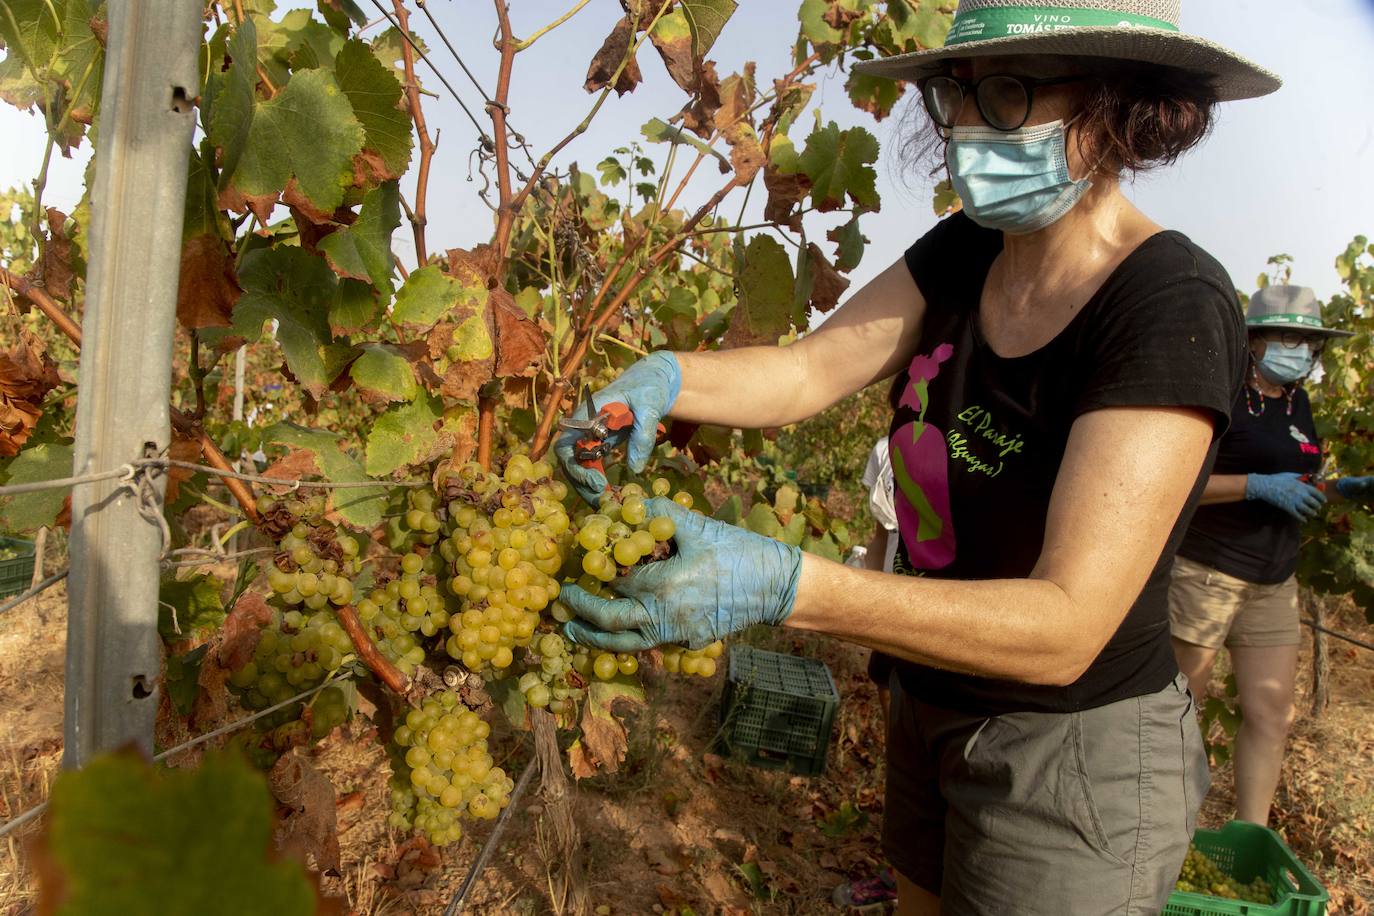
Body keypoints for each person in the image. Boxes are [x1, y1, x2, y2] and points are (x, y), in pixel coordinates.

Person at [554, 2, 1280, 912]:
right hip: (930, 697)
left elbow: (1067, 627)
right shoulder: (975, 248)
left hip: (1071, 753)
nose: (968, 128)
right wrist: (663, 378)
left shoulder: (1169, 301)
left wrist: (791, 585)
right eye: (958, 95)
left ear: (1121, 107)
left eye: (1008, 96)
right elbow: (808, 371)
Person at [1169, 285, 1374, 827]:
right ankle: (1167, 833)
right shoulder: (1221, 394)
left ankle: (1249, 836)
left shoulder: (1298, 403)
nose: (1300, 348)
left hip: (1273, 580)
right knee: (1180, 712)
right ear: (1253, 340)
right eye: (1288, 336)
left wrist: (1339, 490)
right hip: (1205, 573)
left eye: (1308, 340)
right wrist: (1254, 484)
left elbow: (1297, 483)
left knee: (1271, 714)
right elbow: (1177, 482)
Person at [831, 438, 902, 910]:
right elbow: (881, 539)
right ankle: (896, 875)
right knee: (901, 760)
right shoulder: (887, 449)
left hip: (963, 630)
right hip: (897, 630)